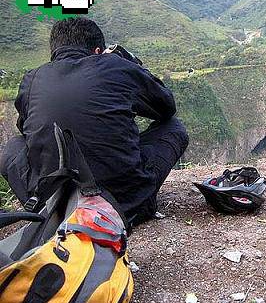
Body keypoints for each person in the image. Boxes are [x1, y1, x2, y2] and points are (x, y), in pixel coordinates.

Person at [0, 17, 189, 225]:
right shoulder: (115, 66)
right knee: (174, 128)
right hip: (125, 206)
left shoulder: (32, 78)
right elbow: (166, 108)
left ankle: (43, 209)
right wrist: (130, 65)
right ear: (98, 51)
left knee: (12, 148)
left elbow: (26, 132)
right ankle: (136, 197)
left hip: (57, 208)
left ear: (54, 52)